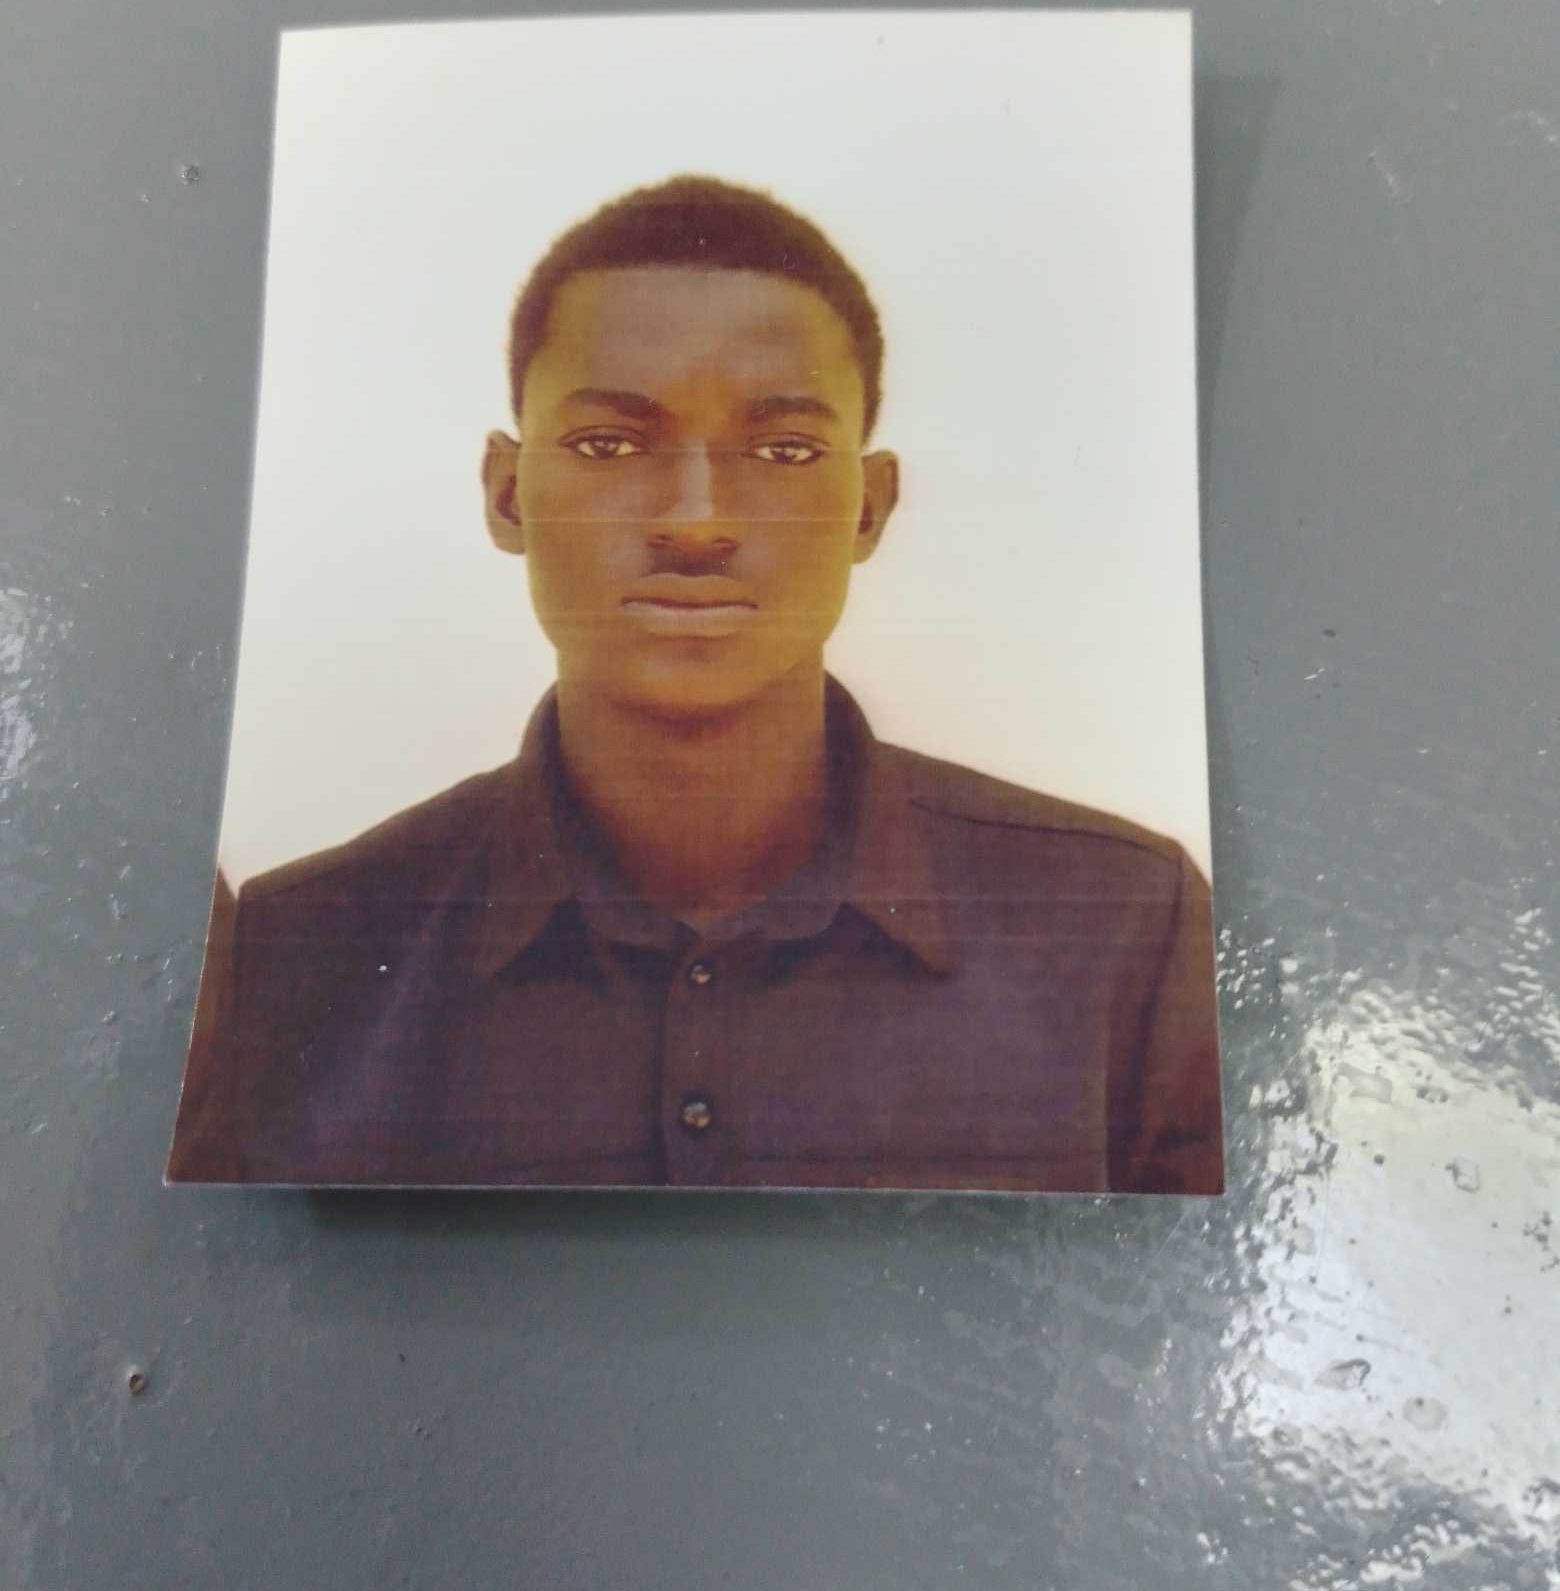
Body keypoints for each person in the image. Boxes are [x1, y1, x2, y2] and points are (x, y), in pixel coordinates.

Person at [167, 175, 1223, 1193]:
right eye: (608, 443)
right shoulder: (296, 954)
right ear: (506, 494)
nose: (697, 520)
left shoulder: (1120, 928)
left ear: (871, 506)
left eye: (785, 450)